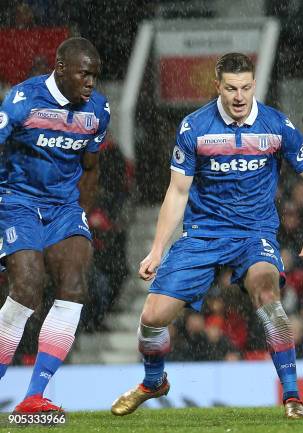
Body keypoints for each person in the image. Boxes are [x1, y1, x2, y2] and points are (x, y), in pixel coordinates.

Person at [111, 53, 303, 419]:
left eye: (245, 87)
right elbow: (177, 193)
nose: (239, 96)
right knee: (151, 317)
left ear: (253, 85)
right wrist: (157, 250)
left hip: (253, 233)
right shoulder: (195, 126)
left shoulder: (276, 124)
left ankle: (292, 396)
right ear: (218, 86)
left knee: (266, 292)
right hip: (203, 234)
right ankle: (153, 382)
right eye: (231, 88)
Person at [0, 37, 109, 413]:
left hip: (64, 206)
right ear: (60, 68)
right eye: (85, 74)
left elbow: (91, 168)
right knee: (28, 289)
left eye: (95, 75)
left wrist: (81, 215)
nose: (91, 83)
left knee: (75, 286)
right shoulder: (21, 100)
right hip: (17, 199)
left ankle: (33, 397)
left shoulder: (98, 110)